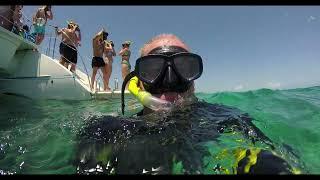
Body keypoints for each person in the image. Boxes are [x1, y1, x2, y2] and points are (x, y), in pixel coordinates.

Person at [75, 34, 303, 174]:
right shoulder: (106, 130)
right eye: (154, 70)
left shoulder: (224, 119)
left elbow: (261, 151)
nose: (170, 81)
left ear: (193, 80)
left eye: (184, 68)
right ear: (140, 83)